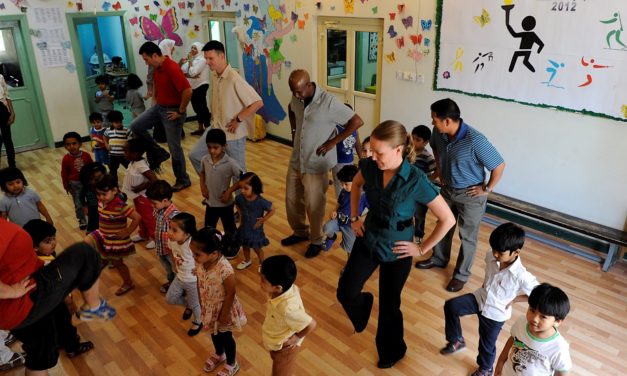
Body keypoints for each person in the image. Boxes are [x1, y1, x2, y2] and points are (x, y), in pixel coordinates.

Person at [336, 120, 455, 369]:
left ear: (398, 149)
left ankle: (393, 350)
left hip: (398, 248)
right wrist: (356, 216)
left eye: (379, 152)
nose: (372, 156)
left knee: (390, 305)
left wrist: (422, 249)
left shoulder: (415, 179)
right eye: (371, 151)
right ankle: (364, 305)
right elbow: (356, 185)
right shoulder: (369, 167)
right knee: (346, 291)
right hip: (368, 237)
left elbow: (447, 219)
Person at [0, 218, 116, 375]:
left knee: (40, 356)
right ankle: (94, 306)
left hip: (20, 304)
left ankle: (73, 335)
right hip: (22, 301)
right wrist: (11, 291)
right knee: (85, 253)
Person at [416, 98, 506, 293]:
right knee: (443, 225)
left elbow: (499, 165)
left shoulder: (475, 140)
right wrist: (439, 171)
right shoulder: (438, 133)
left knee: (467, 236)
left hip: (471, 195)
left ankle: (461, 275)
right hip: (447, 190)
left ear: (447, 121)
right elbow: (435, 148)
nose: (432, 123)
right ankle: (439, 259)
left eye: (435, 119)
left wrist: (487, 189)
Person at [282, 69, 364, 259]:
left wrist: (332, 142)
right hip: (297, 159)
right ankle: (300, 232)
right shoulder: (296, 98)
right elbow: (291, 109)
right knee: (292, 199)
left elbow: (356, 121)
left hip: (316, 162)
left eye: (299, 91)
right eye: (293, 91)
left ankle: (316, 240)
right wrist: (294, 131)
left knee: (314, 203)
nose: (296, 95)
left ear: (309, 85)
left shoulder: (328, 102)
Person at [440, 223, 539, 376]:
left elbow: (538, 294)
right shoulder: (490, 255)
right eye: (493, 249)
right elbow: (490, 275)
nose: (495, 254)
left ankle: (485, 369)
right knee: (451, 306)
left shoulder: (521, 275)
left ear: (516, 252)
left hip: (495, 314)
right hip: (479, 298)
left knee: (486, 345)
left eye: (500, 252)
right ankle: (457, 340)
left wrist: (515, 299)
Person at [22, 219, 95, 359]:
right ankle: (73, 347)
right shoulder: (47, 263)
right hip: (57, 302)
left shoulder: (31, 258)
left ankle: (60, 341)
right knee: (66, 324)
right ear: (35, 247)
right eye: (48, 241)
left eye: (54, 238)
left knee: (55, 324)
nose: (54, 243)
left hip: (42, 304)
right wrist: (69, 302)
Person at [189, 40, 263, 173]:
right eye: (206, 58)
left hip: (232, 134)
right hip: (215, 128)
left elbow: (257, 102)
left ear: (222, 56)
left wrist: (238, 119)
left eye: (211, 58)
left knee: (239, 173)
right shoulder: (214, 75)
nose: (207, 62)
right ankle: (214, 185)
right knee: (194, 155)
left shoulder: (234, 78)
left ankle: (238, 194)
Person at [130, 41, 192, 192]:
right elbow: (157, 86)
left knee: (174, 148)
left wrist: (181, 111)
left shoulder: (172, 68)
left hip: (173, 111)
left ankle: (183, 179)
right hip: (159, 107)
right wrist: (154, 103)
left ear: (155, 55)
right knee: (135, 126)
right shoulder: (156, 68)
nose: (146, 63)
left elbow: (188, 91)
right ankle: (157, 151)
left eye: (146, 59)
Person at [191, 227, 247, 376]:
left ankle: (231, 363)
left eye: (197, 254)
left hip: (224, 309)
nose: (193, 257)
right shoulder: (201, 263)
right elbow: (199, 281)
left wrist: (224, 314)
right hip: (208, 306)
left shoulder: (225, 269)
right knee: (213, 332)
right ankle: (219, 353)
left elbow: (231, 292)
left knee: (225, 336)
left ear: (214, 254)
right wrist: (201, 302)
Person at [495, 283, 572, 376]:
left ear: (557, 321)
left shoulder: (559, 348)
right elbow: (512, 339)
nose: (534, 319)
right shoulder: (521, 322)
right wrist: (501, 361)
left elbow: (562, 372)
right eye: (532, 310)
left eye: (543, 316)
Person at [260, 255, 317, 376]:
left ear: (277, 288)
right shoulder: (283, 290)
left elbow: (311, 324)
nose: (260, 280)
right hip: (276, 343)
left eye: (263, 280)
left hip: (285, 349)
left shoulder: (287, 308)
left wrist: (297, 338)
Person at [85, 174, 141, 296]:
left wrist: (127, 232)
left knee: (118, 264)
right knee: (94, 251)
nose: (100, 197)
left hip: (115, 241)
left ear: (115, 190)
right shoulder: (101, 202)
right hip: (103, 236)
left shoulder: (120, 206)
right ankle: (92, 275)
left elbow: (137, 218)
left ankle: (128, 283)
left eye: (104, 194)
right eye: (98, 194)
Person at [164, 212, 202, 336]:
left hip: (192, 281)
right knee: (170, 299)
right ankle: (189, 305)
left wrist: (200, 268)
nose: (169, 232)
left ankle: (198, 321)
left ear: (187, 234)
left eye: (174, 230)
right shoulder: (172, 241)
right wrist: (174, 264)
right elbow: (171, 252)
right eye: (169, 228)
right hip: (179, 277)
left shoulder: (192, 245)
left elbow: (203, 257)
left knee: (195, 304)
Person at [199, 129, 242, 233]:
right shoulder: (205, 159)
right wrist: (202, 187)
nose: (212, 151)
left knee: (230, 230)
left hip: (225, 205)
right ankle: (211, 247)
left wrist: (229, 191)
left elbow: (243, 179)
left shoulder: (231, 163)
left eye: (215, 147)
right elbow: (202, 173)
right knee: (208, 230)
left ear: (224, 146)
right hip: (210, 203)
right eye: (209, 147)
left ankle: (232, 247)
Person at [234, 172, 275, 271]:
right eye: (241, 188)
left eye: (246, 188)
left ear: (255, 187)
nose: (242, 191)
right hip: (244, 227)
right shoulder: (240, 197)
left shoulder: (260, 201)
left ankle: (262, 263)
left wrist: (263, 220)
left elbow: (272, 209)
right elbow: (237, 204)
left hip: (255, 229)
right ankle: (247, 260)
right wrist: (240, 215)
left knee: (257, 248)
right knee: (245, 246)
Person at [322, 165, 367, 254]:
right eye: (341, 184)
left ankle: (349, 267)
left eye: (346, 184)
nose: (343, 186)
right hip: (338, 220)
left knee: (350, 249)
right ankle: (331, 237)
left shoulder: (363, 196)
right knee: (326, 228)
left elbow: (371, 210)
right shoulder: (344, 192)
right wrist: (334, 211)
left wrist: (361, 219)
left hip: (350, 226)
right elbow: (339, 203)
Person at [122, 138, 158, 249]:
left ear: (135, 153)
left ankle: (155, 238)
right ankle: (143, 234)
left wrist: (140, 187)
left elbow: (153, 179)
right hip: (137, 197)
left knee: (148, 218)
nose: (124, 154)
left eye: (126, 151)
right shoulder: (134, 161)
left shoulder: (141, 165)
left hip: (143, 197)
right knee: (140, 216)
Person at [146, 180, 180, 293]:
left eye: (154, 203)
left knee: (177, 270)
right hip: (161, 247)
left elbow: (179, 237)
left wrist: (175, 254)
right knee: (168, 269)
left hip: (171, 251)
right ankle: (172, 283)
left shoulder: (174, 216)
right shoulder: (159, 209)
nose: (152, 205)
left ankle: (180, 288)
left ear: (165, 200)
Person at [411, 125, 437, 243]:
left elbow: (438, 170)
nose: (414, 141)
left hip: (421, 192)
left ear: (425, 142)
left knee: (419, 215)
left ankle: (418, 235)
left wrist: (429, 180)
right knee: (406, 211)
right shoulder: (408, 152)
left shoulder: (427, 156)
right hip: (408, 189)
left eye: (418, 140)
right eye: (413, 138)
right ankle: (407, 232)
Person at [61, 131, 92, 229]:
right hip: (75, 185)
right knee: (78, 204)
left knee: (91, 201)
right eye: (68, 145)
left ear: (80, 144)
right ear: (65, 146)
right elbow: (64, 173)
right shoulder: (66, 159)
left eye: (74, 143)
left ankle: (93, 217)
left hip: (88, 183)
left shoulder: (86, 155)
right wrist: (67, 187)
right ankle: (82, 220)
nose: (71, 146)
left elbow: (92, 168)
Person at [180, 42, 211, 136]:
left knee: (202, 108)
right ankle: (200, 128)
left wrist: (190, 70)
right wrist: (189, 71)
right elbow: (182, 71)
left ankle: (208, 129)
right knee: (196, 108)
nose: (192, 50)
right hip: (192, 87)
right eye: (192, 47)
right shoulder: (192, 59)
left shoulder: (202, 60)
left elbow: (192, 72)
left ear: (199, 49)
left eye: (195, 48)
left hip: (201, 85)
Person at [331, 104, 363, 197]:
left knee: (350, 185)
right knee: (340, 186)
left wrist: (362, 158)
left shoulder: (354, 127)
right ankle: (340, 205)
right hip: (338, 163)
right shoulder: (336, 128)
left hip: (350, 161)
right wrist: (329, 164)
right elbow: (331, 145)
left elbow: (357, 143)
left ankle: (349, 204)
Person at [79, 162, 107, 233]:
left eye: (100, 177)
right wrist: (84, 206)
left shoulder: (108, 185)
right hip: (93, 210)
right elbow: (81, 196)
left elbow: (119, 195)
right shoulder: (86, 187)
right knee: (93, 223)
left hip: (106, 211)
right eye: (92, 179)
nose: (97, 181)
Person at [103, 110, 130, 184]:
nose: (119, 124)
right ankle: (114, 184)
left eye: (120, 122)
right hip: (113, 155)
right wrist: (106, 144)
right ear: (111, 122)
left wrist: (128, 146)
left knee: (131, 169)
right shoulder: (108, 130)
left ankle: (132, 181)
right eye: (116, 122)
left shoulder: (126, 130)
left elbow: (132, 137)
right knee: (113, 171)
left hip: (124, 155)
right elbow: (104, 137)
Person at [0, 73, 16, 168]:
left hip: (2, 109)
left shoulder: (0, 77)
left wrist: (12, 112)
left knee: (7, 139)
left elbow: (7, 95)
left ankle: (12, 166)